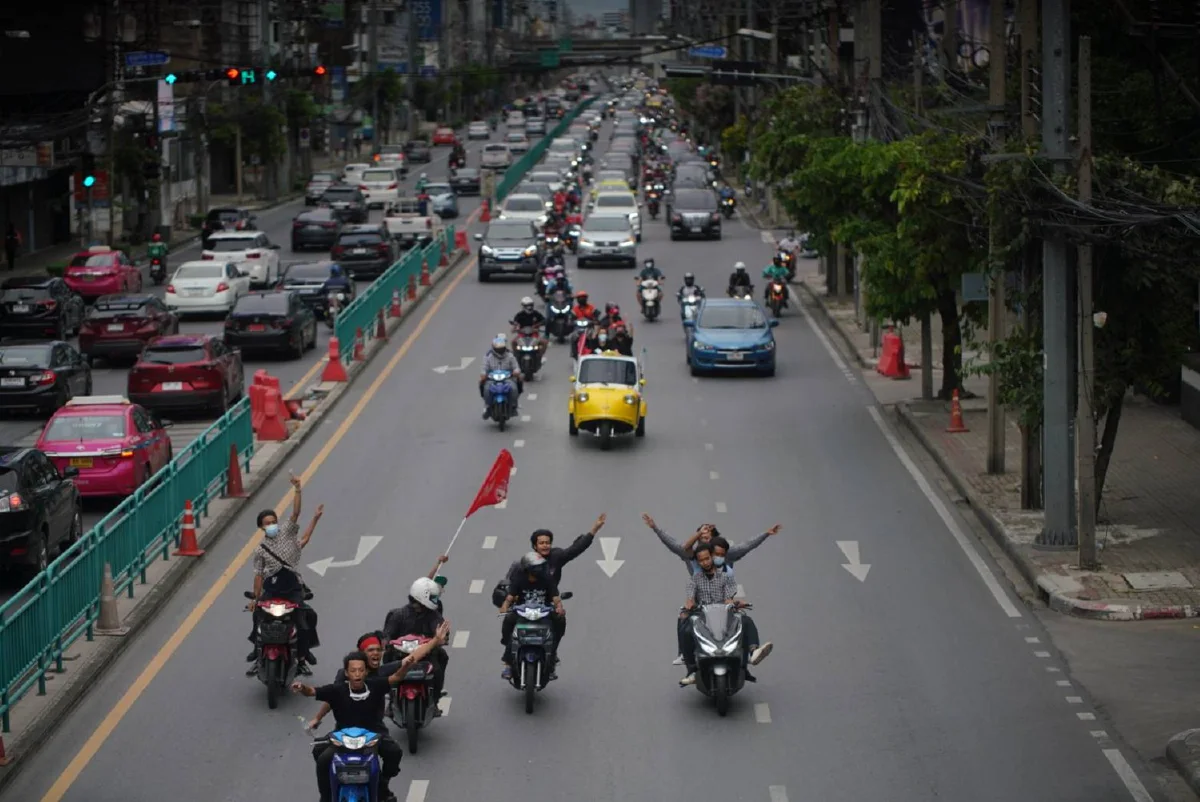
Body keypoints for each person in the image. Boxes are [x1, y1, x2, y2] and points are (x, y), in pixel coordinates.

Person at [295, 623, 450, 802]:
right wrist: (315, 715)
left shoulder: (378, 681)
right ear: (348, 672)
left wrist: (435, 642)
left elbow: (408, 663)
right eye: (370, 650)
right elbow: (328, 697)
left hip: (373, 733)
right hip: (343, 735)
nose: (375, 654)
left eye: (378, 650)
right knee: (321, 758)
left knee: (394, 752)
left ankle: (382, 785)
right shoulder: (340, 684)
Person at [246, 474, 323, 674]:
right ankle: (257, 650)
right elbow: (258, 575)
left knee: (306, 618)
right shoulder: (260, 549)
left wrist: (298, 489)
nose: (271, 524)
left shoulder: (288, 533)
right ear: (261, 527)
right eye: (267, 522)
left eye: (273, 521)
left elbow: (296, 513)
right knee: (258, 616)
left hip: (292, 588)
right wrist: (255, 597)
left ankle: (304, 654)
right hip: (272, 589)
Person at [677, 544, 771, 687]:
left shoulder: (726, 578)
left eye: (707, 558)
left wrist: (734, 603)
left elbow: (729, 598)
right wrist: (689, 604)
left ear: (712, 557)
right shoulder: (694, 580)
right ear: (698, 561)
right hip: (702, 617)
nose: (705, 562)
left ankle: (752, 653)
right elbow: (690, 597)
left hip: (725, 615)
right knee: (686, 630)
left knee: (745, 620)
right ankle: (691, 670)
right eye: (701, 560)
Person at [381, 578, 450, 705]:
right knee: (386, 660)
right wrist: (386, 643)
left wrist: (442, 638)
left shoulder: (433, 615)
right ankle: (390, 696)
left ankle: (435, 698)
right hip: (400, 655)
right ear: (422, 597)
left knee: (442, 657)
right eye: (432, 597)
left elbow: (441, 631)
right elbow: (387, 634)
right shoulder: (397, 614)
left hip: (426, 654)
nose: (436, 600)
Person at [498, 552, 566, 680]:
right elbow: (510, 596)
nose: (539, 569)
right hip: (522, 612)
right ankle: (508, 663)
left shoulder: (547, 578)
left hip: (543, 612)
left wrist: (559, 608)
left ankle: (551, 661)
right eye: (536, 567)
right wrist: (505, 606)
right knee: (509, 624)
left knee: (560, 622)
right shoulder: (519, 579)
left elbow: (555, 597)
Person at [479, 334, 522, 420]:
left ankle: (513, 406)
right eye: (498, 349)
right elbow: (484, 367)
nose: (500, 351)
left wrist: (516, 372)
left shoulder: (510, 355)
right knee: (485, 388)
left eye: (501, 349)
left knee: (514, 388)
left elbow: (516, 367)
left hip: (507, 378)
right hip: (492, 379)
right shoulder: (488, 356)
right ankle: (487, 406)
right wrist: (483, 374)